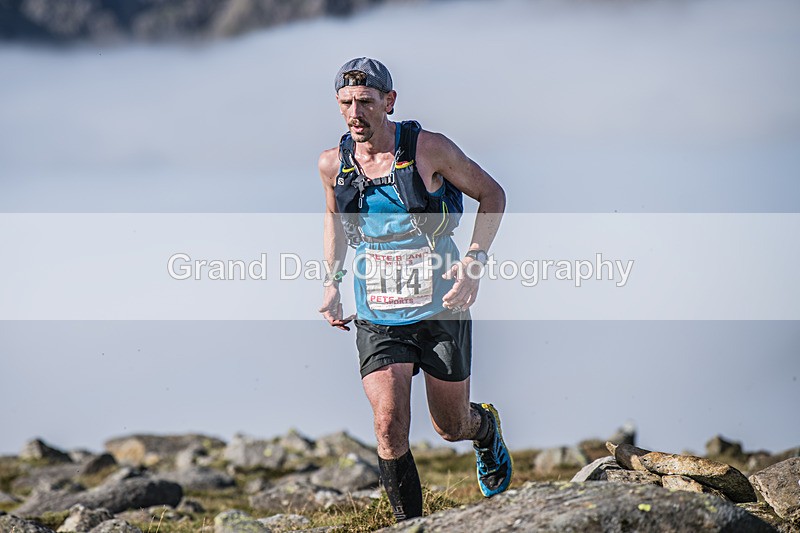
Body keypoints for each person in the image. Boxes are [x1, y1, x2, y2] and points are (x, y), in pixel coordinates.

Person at [318, 57, 510, 522]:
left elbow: (493, 194)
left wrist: (473, 262)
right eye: (345, 103)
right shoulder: (333, 164)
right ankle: (411, 527)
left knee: (450, 426)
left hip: (441, 302)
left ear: (389, 101)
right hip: (377, 309)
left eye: (365, 102)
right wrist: (333, 281)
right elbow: (335, 221)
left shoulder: (430, 149)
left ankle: (485, 431)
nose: (354, 113)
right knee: (388, 426)